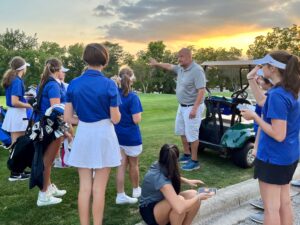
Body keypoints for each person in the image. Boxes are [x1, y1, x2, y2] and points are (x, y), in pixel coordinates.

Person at [64, 43, 122, 225]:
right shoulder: (109, 84)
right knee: (99, 189)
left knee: (84, 188)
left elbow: (67, 117)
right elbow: (115, 118)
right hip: (104, 134)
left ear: (86, 59)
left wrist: (86, 121)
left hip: (85, 134)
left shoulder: (73, 83)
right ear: (104, 60)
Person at [241, 51, 300, 225]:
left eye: (263, 65)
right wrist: (251, 78)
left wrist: (255, 118)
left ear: (272, 68)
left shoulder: (277, 95)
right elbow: (262, 102)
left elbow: (278, 134)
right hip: (288, 156)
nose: (260, 68)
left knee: (271, 208)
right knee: (284, 203)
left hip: (273, 157)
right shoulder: (288, 90)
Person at [149, 48, 207, 171]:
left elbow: (201, 91)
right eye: (178, 57)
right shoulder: (181, 68)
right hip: (182, 106)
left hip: (192, 107)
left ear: (189, 57)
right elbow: (169, 66)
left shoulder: (197, 71)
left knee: (192, 134)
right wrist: (156, 64)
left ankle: (195, 161)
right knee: (181, 130)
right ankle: (186, 154)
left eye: (181, 56)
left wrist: (195, 109)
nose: (179, 59)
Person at [139, 144, 214, 225]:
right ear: (176, 160)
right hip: (150, 210)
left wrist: (187, 181)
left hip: (162, 201)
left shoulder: (161, 164)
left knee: (193, 194)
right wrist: (199, 197)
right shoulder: (159, 178)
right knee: (181, 202)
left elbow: (169, 175)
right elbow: (180, 208)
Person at [36, 58, 67, 206]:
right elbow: (57, 110)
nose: (63, 73)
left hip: (44, 124)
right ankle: (43, 195)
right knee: (48, 161)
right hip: (52, 126)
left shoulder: (45, 82)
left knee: (48, 160)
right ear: (56, 70)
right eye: (62, 69)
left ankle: (48, 187)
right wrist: (67, 128)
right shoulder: (53, 85)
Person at [113, 66, 143, 204]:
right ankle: (135, 189)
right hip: (131, 137)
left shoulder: (113, 95)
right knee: (134, 164)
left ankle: (120, 195)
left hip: (117, 136)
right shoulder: (133, 97)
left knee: (121, 165)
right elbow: (136, 119)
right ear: (132, 80)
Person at [1, 56, 32, 181]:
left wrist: (25, 97)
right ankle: (15, 172)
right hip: (17, 113)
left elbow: (15, 99)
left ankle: (17, 170)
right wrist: (29, 104)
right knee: (18, 143)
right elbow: (14, 101)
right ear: (22, 68)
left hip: (14, 113)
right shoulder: (17, 81)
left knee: (17, 143)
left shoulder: (13, 79)